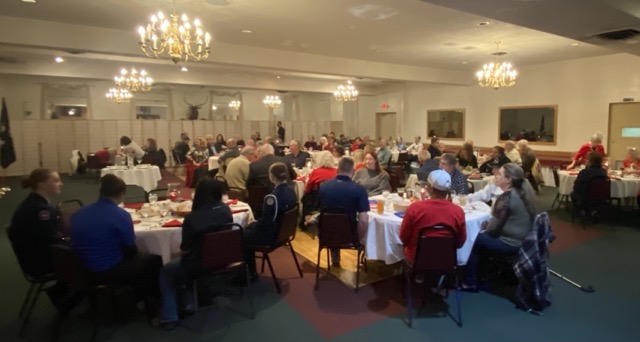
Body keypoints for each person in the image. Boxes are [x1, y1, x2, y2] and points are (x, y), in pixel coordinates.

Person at [71, 174, 162, 315]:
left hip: (80, 269)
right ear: (122, 193)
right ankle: (152, 305)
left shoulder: (79, 213)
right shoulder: (120, 214)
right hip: (106, 271)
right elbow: (130, 248)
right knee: (154, 260)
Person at [158, 179, 233, 330]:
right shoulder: (226, 210)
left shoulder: (192, 218)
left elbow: (185, 249)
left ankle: (169, 316)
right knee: (186, 261)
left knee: (166, 271)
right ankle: (188, 300)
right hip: (224, 259)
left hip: (197, 264)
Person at [7, 169, 75, 313]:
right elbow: (52, 239)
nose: (61, 184)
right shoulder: (40, 209)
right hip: (41, 261)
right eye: (56, 181)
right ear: (42, 184)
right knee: (90, 256)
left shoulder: (33, 203)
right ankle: (69, 295)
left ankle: (63, 290)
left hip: (33, 256)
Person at [463, 163, 537, 290]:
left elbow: (492, 229)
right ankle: (483, 273)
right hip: (526, 240)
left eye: (499, 174)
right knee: (481, 237)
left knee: (472, 238)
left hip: (511, 242)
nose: (495, 176)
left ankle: (470, 281)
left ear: (508, 179)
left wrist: (482, 226)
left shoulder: (506, 197)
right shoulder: (524, 192)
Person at [399, 170, 466, 265]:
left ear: (429, 188)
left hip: (417, 258)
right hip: (447, 258)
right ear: (448, 190)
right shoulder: (458, 211)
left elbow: (403, 237)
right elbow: (460, 243)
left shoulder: (414, 208)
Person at [243, 163, 298, 279]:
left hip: (271, 236)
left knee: (240, 235)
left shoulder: (272, 198)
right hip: (284, 234)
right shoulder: (292, 191)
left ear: (271, 176)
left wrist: (253, 224)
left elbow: (265, 223)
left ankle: (248, 273)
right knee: (249, 228)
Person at [317, 157, 370, 267]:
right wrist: (359, 239)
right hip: (350, 235)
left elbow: (319, 210)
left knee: (333, 221)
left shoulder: (323, 186)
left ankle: (335, 259)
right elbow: (364, 220)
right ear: (353, 171)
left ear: (337, 169)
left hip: (326, 234)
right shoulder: (359, 189)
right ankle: (364, 260)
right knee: (365, 226)